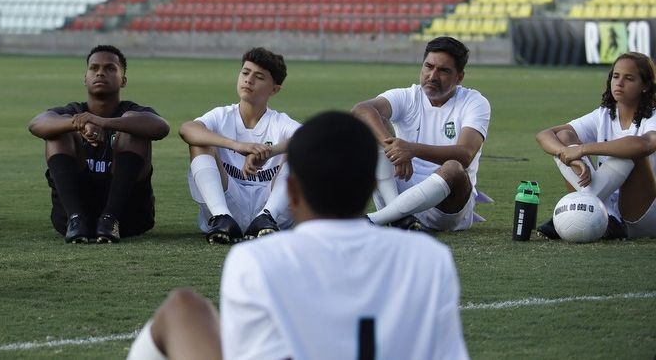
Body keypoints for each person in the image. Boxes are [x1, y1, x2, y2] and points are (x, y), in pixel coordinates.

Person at [127, 111, 468, 360]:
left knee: (183, 308)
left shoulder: (254, 260)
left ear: (291, 190)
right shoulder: (430, 258)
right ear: (369, 187)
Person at [28, 45, 169, 243]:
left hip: (128, 217)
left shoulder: (133, 110)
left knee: (133, 127)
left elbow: (161, 127)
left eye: (110, 68)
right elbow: (36, 124)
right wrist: (78, 124)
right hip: (73, 215)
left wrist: (103, 122)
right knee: (58, 131)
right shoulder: (73, 110)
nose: (100, 72)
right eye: (94, 68)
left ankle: (110, 219)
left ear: (123, 80)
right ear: (85, 78)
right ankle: (76, 219)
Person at [351, 36, 491, 232]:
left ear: (459, 77)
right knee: (371, 127)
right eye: (429, 66)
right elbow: (361, 110)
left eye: (443, 71)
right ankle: (399, 218)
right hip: (396, 192)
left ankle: (374, 219)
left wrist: (411, 150)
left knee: (453, 168)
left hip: (445, 207)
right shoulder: (408, 96)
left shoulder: (474, 102)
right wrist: (393, 147)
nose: (432, 76)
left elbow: (465, 154)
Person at [179, 47, 298, 244]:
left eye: (259, 77)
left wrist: (268, 152)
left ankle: (267, 216)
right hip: (228, 202)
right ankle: (222, 218)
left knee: (301, 151)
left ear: (274, 89)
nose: (248, 80)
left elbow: (313, 137)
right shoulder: (222, 115)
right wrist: (237, 145)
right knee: (200, 142)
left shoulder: (279, 122)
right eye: (245, 72)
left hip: (272, 208)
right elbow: (187, 129)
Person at [535, 51, 656, 239]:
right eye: (616, 76)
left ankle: (573, 211)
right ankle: (604, 216)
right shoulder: (604, 115)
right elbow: (545, 135)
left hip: (642, 213)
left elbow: (644, 145)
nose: (619, 83)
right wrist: (568, 155)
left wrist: (582, 149)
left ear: (646, 86)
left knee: (630, 151)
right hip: (602, 210)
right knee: (565, 137)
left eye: (629, 78)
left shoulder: (653, 117)